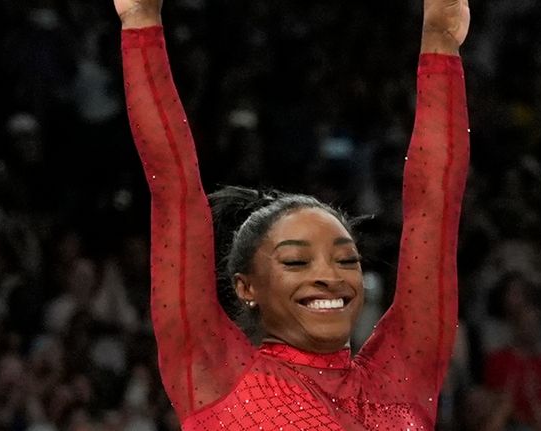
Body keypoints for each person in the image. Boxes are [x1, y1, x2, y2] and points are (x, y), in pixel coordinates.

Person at [115, 0, 470, 428]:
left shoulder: (401, 378)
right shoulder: (217, 374)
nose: (330, 276)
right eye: (296, 261)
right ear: (247, 287)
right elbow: (174, 190)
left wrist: (441, 42)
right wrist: (140, 23)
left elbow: (435, 208)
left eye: (347, 260)